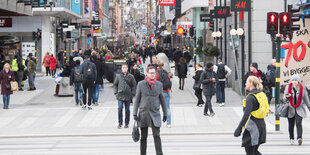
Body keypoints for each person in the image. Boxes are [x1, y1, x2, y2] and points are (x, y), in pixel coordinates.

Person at [133, 65, 167, 155]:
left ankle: (159, 153)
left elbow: (162, 99)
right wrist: (134, 113)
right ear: (146, 73)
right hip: (144, 113)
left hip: (155, 113)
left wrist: (165, 113)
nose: (153, 75)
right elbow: (137, 99)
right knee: (143, 137)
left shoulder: (159, 84)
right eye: (151, 73)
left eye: (154, 73)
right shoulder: (141, 84)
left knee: (157, 135)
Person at [234, 76, 267, 155]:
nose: (245, 84)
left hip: (253, 128)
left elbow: (246, 115)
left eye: (246, 82)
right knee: (254, 152)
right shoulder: (260, 94)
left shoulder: (250, 97)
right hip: (261, 126)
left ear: (251, 83)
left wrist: (239, 129)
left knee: (251, 152)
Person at [283, 74, 310, 145]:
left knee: (298, 123)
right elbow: (283, 99)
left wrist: (309, 107)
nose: (294, 82)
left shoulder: (302, 88)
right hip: (290, 109)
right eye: (293, 80)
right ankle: (291, 138)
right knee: (291, 124)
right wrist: (287, 97)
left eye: (295, 80)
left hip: (299, 108)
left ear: (298, 81)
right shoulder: (288, 87)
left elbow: (306, 98)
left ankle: (299, 138)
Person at [114, 63, 136, 129]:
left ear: (127, 68)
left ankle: (127, 123)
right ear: (121, 68)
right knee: (120, 108)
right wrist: (116, 92)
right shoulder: (118, 76)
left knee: (127, 110)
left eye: (125, 67)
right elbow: (115, 84)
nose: (124, 69)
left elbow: (134, 85)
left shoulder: (131, 76)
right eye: (123, 67)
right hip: (120, 95)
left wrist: (133, 93)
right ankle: (120, 123)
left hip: (128, 95)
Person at [156, 60, 172, 127]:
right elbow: (170, 81)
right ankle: (168, 123)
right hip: (166, 91)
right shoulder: (166, 72)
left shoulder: (156, 73)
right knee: (167, 107)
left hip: (158, 92)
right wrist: (169, 89)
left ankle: (158, 122)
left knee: (157, 108)